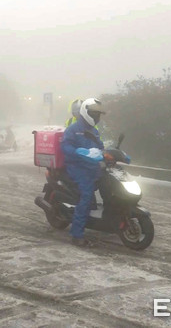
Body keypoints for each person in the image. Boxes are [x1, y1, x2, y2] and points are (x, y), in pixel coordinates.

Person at [61, 98, 106, 247]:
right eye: (94, 114)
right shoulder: (73, 129)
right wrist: (77, 151)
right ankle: (77, 234)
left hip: (91, 166)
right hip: (77, 166)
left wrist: (113, 154)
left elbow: (100, 146)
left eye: (98, 114)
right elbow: (65, 146)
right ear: (85, 112)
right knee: (87, 194)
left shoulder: (94, 131)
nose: (97, 117)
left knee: (109, 184)